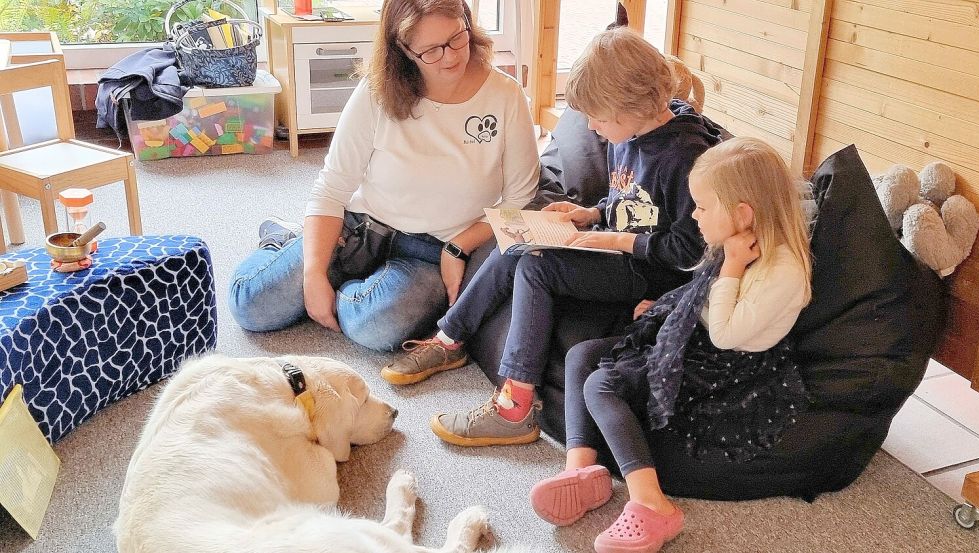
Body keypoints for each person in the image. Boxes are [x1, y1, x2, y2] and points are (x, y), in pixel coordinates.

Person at [382, 28, 724, 446]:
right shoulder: (629, 133)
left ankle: (515, 408)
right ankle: (449, 339)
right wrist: (591, 213)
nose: (592, 128)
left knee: (536, 268)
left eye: (598, 118)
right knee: (519, 240)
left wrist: (615, 241)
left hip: (649, 271)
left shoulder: (684, 158)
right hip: (616, 245)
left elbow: (690, 250)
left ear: (631, 107)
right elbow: (631, 200)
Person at [528, 137, 814, 553]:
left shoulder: (782, 269)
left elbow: (725, 333)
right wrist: (668, 305)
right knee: (581, 355)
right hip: (694, 337)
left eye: (702, 207)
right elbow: (703, 292)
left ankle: (652, 503)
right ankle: (581, 470)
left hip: (725, 366)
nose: (694, 215)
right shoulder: (739, 240)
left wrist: (733, 267)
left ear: (742, 213)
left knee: (601, 386)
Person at [227, 0, 539, 351]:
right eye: (431, 50)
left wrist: (459, 245)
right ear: (403, 49)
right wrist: (313, 273)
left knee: (375, 327)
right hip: (360, 229)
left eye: (456, 38)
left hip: (429, 252)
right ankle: (287, 242)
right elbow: (332, 188)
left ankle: (331, 279)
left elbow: (521, 199)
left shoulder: (506, 95)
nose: (451, 56)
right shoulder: (376, 90)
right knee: (250, 305)